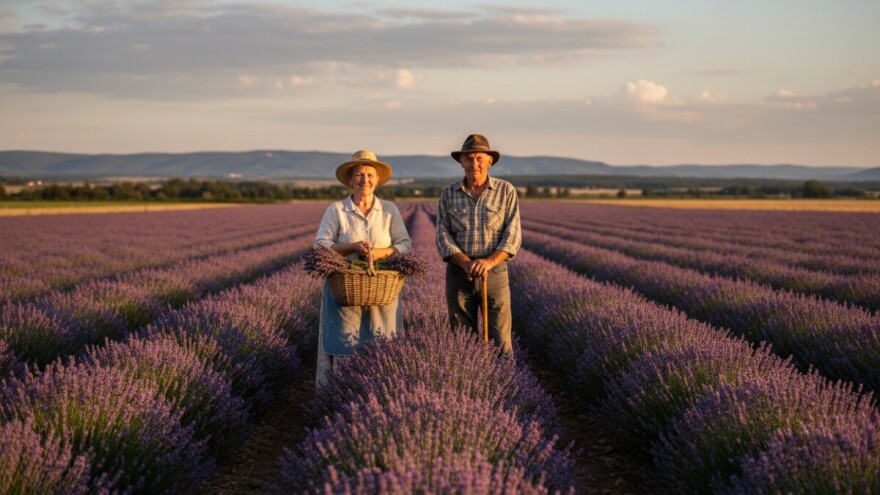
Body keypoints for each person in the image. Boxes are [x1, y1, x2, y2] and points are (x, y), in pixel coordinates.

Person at [314, 150, 412, 388]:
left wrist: (380, 253)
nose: (364, 180)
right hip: (345, 288)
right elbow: (320, 244)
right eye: (358, 175)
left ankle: (377, 392)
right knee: (344, 341)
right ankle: (341, 392)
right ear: (350, 180)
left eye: (370, 175)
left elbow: (405, 244)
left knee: (381, 341)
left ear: (377, 180)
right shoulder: (337, 210)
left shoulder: (389, 210)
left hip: (381, 288)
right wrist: (351, 247)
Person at [435, 134, 521, 355]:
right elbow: (443, 237)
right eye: (469, 159)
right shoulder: (448, 194)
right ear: (461, 162)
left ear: (489, 161)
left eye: (479, 158)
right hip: (459, 276)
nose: (474, 164)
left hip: (495, 275)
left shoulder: (505, 191)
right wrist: (465, 263)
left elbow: (512, 236)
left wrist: (488, 262)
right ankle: (470, 386)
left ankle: (504, 384)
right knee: (463, 341)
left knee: (500, 341)